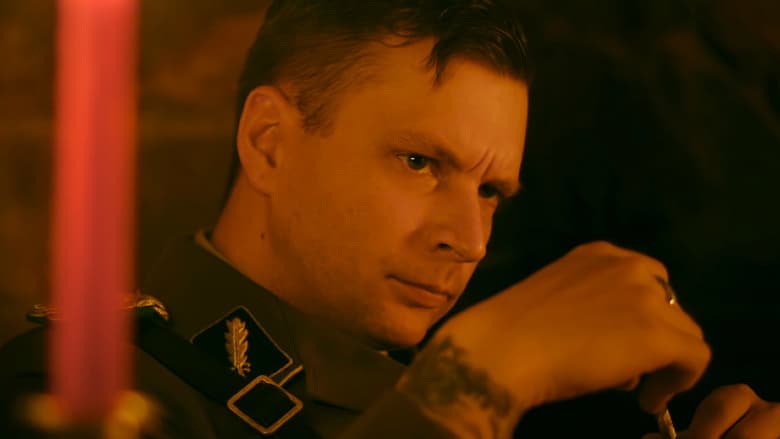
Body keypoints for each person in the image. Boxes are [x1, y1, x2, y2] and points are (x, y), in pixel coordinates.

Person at [1, 1, 778, 438]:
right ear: (268, 143)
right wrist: (482, 373)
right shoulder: (76, 392)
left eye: (491, 191)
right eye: (419, 162)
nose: (468, 241)